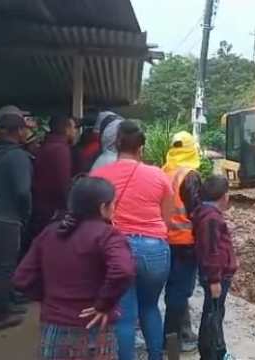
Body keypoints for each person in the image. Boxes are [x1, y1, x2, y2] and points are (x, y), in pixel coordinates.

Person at [13, 177, 135, 360]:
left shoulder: (49, 233)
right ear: (103, 208)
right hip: (93, 329)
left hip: (53, 328)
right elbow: (123, 270)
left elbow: (21, 278)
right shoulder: (108, 235)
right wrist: (104, 304)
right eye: (113, 204)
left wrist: (48, 297)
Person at [91, 120, 173, 360]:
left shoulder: (98, 176)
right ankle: (155, 356)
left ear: (116, 145)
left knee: (125, 315)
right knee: (150, 308)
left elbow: (92, 220)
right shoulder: (158, 175)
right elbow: (167, 219)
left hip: (117, 250)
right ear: (141, 149)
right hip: (155, 250)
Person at [188, 175, 238, 360]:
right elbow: (211, 251)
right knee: (213, 314)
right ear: (224, 196)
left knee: (215, 311)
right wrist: (215, 279)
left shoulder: (207, 214)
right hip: (216, 277)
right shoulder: (211, 219)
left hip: (217, 275)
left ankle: (216, 350)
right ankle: (212, 353)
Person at [0, 106, 33, 331]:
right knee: (3, 268)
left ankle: (6, 304)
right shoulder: (18, 156)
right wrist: (25, 214)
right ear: (18, 131)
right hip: (7, 219)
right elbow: (22, 191)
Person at [162, 131, 202, 353]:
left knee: (172, 290)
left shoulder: (163, 172)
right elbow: (197, 212)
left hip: (164, 240)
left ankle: (181, 333)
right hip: (185, 242)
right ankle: (172, 340)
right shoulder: (190, 175)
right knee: (180, 292)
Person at [28, 115, 77, 246]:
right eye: (74, 128)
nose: (75, 131)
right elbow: (63, 183)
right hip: (51, 212)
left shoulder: (45, 145)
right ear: (66, 129)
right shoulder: (60, 149)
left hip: (38, 208)